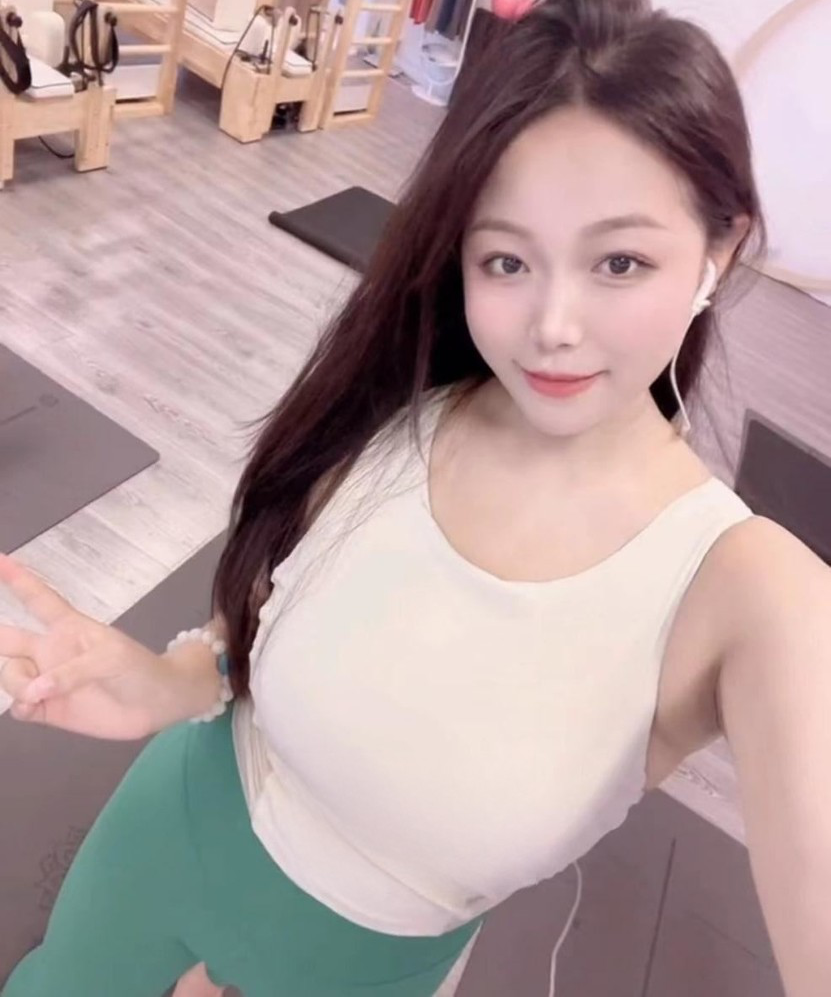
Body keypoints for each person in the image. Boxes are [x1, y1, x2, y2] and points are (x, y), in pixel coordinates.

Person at [1, 1, 829, 995]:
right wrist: (166, 682)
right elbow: (259, 620)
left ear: (718, 250)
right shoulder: (405, 401)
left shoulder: (750, 593)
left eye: (620, 261)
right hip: (165, 835)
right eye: (506, 259)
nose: (552, 325)